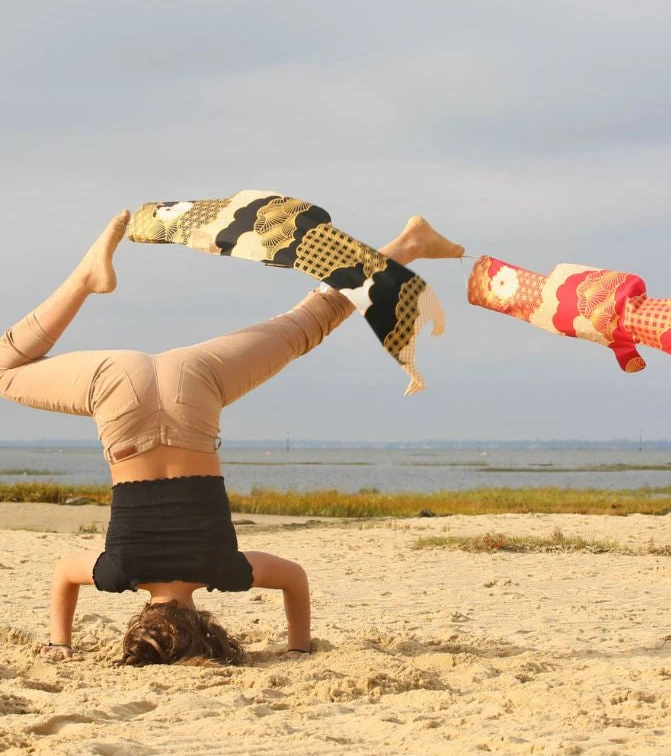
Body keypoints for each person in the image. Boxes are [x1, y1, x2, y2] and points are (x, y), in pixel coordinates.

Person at [0, 209, 464, 666]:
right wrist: (60, 641)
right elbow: (65, 573)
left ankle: (408, 245)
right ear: (140, 620)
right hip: (119, 390)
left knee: (310, 321)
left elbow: (294, 579)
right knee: (4, 367)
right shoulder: (118, 571)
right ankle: (85, 280)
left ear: (204, 627)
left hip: (194, 384)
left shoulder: (225, 568)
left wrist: (298, 646)